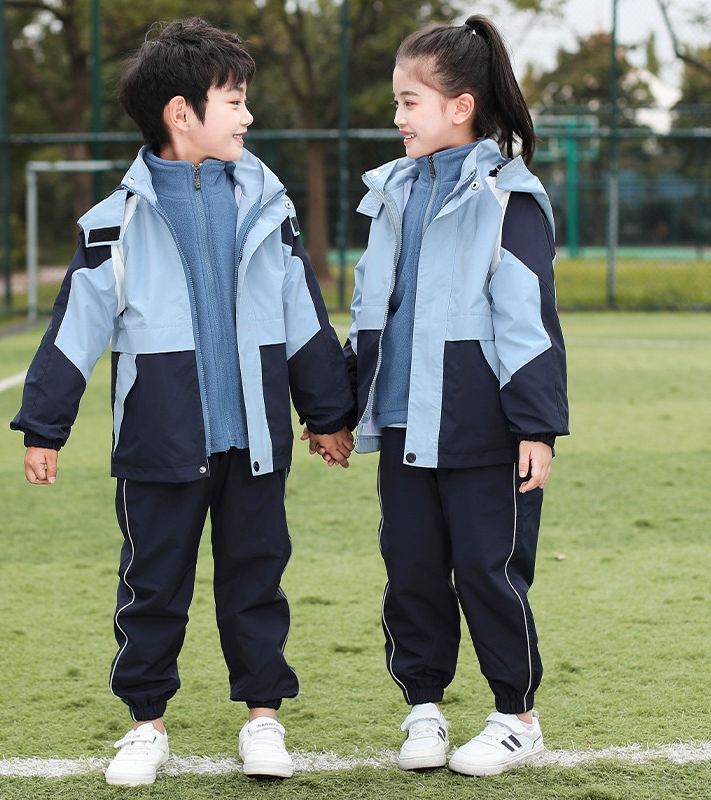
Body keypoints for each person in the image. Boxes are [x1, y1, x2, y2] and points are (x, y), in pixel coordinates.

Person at [10, 18, 354, 787]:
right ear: (180, 112)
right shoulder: (115, 224)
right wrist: (44, 425)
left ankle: (263, 718)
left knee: (256, 581)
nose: (247, 116)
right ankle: (145, 724)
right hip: (159, 444)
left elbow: (304, 315)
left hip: (256, 443)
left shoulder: (268, 207)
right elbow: (76, 329)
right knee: (152, 586)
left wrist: (328, 413)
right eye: (233, 100)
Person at [340, 14, 568, 778]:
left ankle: (516, 716)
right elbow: (370, 313)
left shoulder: (511, 197)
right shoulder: (390, 195)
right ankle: (424, 709)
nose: (397, 117)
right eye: (397, 103)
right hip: (404, 422)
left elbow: (528, 321)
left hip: (483, 428)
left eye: (410, 101)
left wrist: (536, 425)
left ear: (460, 105)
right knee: (410, 569)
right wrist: (340, 407)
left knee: (487, 570)